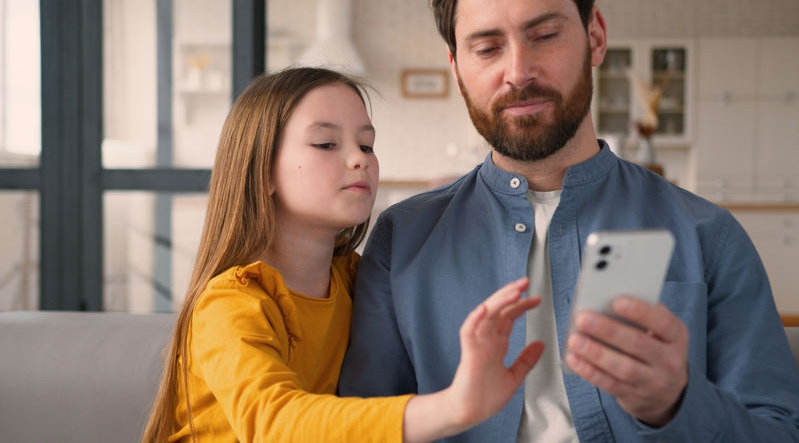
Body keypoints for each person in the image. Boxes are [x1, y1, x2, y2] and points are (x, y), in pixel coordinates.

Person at [338, 0, 799, 442]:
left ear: (595, 37)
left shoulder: (709, 236)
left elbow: (778, 429)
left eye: (545, 35)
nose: (518, 72)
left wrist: (678, 404)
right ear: (457, 66)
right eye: (487, 48)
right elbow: (364, 424)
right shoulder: (402, 239)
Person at [141, 67, 548, 443]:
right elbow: (277, 423)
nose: (359, 159)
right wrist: (452, 408)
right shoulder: (228, 304)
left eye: (367, 145)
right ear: (263, 172)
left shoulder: (362, 280)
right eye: (325, 143)